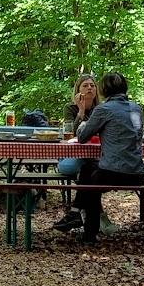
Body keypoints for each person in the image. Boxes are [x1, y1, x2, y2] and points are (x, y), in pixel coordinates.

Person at [72, 71, 144, 245]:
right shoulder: (137, 108)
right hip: (137, 173)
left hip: (112, 172)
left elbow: (82, 137)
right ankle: (75, 214)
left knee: (89, 181)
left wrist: (83, 124)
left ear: (103, 90)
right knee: (89, 170)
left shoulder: (103, 109)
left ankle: (88, 232)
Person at [52, 73, 101, 233]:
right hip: (73, 156)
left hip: (95, 156)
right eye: (85, 85)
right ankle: (90, 216)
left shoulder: (101, 109)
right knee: (90, 168)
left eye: (92, 85)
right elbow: (71, 134)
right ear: (78, 90)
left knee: (91, 169)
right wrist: (80, 111)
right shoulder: (70, 108)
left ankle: (76, 213)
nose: (89, 88)